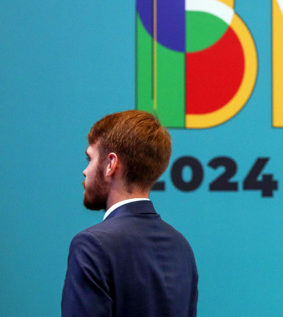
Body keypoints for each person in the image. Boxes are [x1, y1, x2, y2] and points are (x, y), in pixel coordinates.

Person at [62, 110, 198, 317]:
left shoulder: (91, 245)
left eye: (89, 158)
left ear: (111, 164)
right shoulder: (181, 246)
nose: (85, 171)